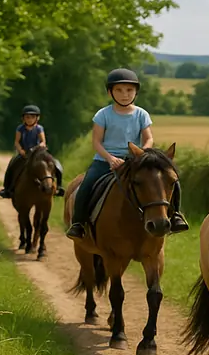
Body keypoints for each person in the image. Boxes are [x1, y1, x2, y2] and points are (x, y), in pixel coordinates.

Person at [65, 68, 189, 240]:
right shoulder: (103, 114)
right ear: (110, 92)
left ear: (136, 92)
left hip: (135, 160)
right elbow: (96, 142)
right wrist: (110, 159)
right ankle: (78, 223)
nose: (125, 95)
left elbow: (148, 138)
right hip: (104, 160)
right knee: (87, 184)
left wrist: (142, 154)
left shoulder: (141, 114)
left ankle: (175, 216)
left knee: (171, 179)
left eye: (129, 90)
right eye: (119, 90)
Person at [0, 104, 65, 198]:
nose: (29, 119)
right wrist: (21, 150)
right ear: (23, 118)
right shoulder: (20, 128)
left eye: (32, 117)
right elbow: (17, 142)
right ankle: (7, 189)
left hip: (38, 153)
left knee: (56, 164)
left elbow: (43, 142)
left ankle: (59, 187)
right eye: (27, 117)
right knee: (12, 164)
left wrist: (36, 148)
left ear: (37, 118)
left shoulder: (39, 128)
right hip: (25, 153)